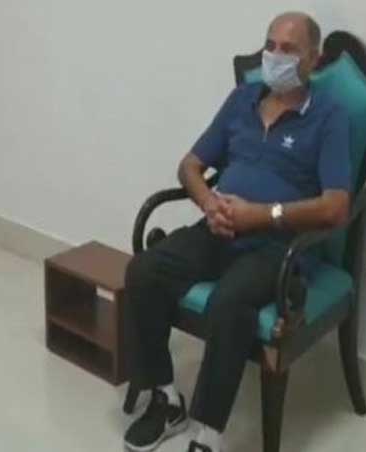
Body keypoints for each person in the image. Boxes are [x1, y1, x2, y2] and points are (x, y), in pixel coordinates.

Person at [122, 12, 350, 452]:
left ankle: (209, 433)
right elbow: (190, 166)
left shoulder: (329, 117)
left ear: (314, 59)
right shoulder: (243, 99)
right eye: (270, 46)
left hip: (279, 247)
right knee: (145, 271)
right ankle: (166, 400)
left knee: (230, 300)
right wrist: (210, 204)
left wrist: (261, 216)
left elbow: (337, 206)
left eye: (289, 49)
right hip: (220, 227)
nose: (275, 56)